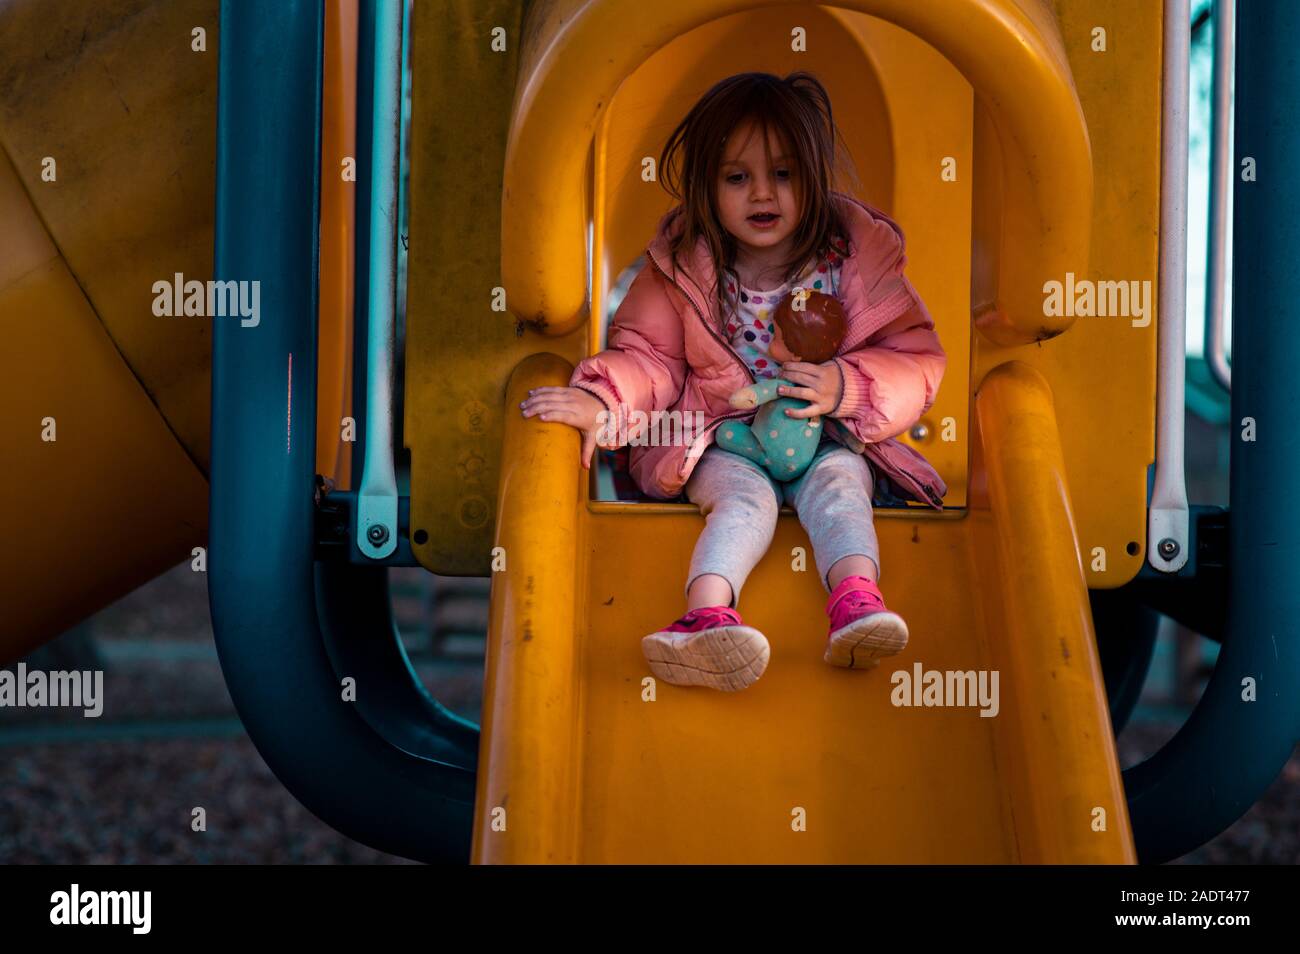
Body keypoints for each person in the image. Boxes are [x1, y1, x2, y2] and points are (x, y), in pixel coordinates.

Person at [520, 71, 946, 691]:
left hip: (824, 434)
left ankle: (856, 600)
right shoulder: (686, 268)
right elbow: (651, 359)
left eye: (783, 173)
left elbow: (915, 358)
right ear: (706, 188)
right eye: (737, 177)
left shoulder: (853, 259)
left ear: (813, 176)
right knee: (742, 502)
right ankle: (707, 615)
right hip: (721, 438)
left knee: (843, 484)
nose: (761, 194)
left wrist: (846, 388)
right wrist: (603, 399)